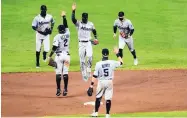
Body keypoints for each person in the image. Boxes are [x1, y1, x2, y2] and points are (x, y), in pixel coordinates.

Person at [87, 47, 123, 118]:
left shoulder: (98, 64)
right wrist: (117, 54)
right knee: (108, 99)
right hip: (109, 82)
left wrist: (91, 85)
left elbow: (95, 75)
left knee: (98, 97)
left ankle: (96, 113)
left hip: (101, 82)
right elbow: (121, 63)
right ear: (108, 54)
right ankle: (107, 114)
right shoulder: (112, 62)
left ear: (102, 54)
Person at [71, 3, 99, 81]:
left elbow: (94, 30)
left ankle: (89, 71)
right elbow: (73, 19)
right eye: (84, 18)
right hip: (81, 44)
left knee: (90, 57)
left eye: (86, 18)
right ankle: (84, 74)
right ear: (82, 17)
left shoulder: (91, 24)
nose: (85, 19)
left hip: (89, 43)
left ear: (87, 18)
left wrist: (96, 38)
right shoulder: (78, 23)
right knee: (82, 60)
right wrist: (73, 11)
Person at [48, 11, 70, 96]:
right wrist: (64, 17)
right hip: (67, 57)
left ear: (59, 30)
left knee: (58, 73)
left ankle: (58, 90)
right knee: (65, 73)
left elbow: (54, 47)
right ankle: (65, 89)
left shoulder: (57, 36)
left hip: (59, 56)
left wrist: (49, 56)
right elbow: (66, 25)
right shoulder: (68, 34)